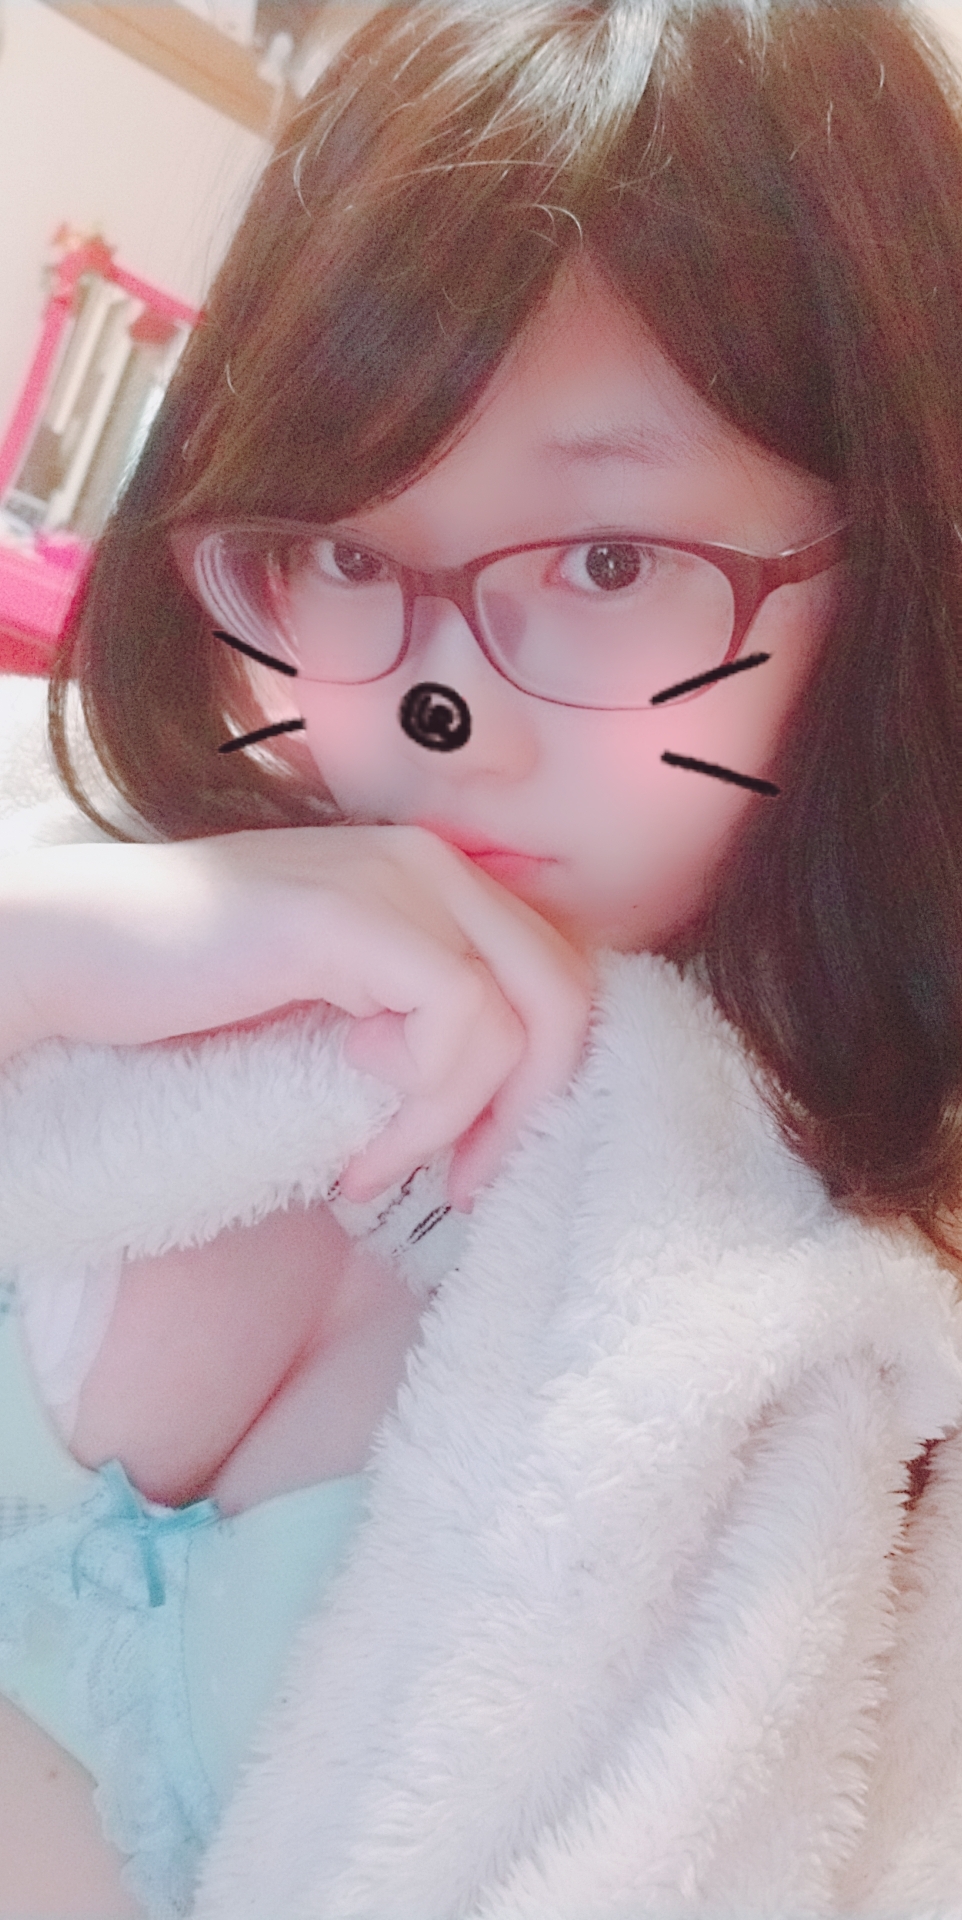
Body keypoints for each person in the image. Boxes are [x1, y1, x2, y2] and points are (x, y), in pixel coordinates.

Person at [3, 0, 962, 1913]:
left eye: (606, 562)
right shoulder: (103, 892)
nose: (436, 716)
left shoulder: (862, 1366)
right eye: (343, 554)